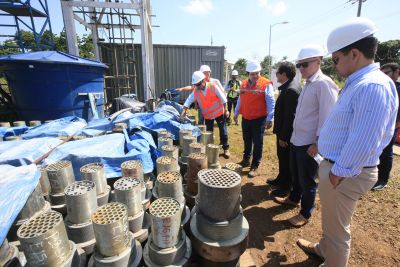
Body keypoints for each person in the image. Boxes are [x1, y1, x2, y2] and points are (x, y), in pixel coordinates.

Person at [296, 17, 398, 267]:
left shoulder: (372, 86)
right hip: (337, 167)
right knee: (331, 221)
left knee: (338, 231)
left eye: (335, 59)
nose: (333, 65)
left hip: (345, 171)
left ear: (354, 53)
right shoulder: (359, 83)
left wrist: (338, 173)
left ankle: (333, 260)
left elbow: (365, 140)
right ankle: (324, 249)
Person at [274, 44, 338, 227]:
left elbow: (328, 118)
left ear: (318, 62)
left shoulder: (324, 84)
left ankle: (305, 213)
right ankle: (293, 198)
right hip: (297, 140)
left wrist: (318, 143)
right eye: (299, 65)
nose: (301, 68)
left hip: (309, 143)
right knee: (296, 174)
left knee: (308, 179)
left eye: (305, 64)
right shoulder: (308, 83)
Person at [233, 60, 275, 177]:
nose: (255, 76)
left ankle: (255, 165)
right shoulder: (243, 84)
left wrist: (270, 118)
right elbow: (240, 99)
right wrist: (236, 112)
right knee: (247, 139)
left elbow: (271, 101)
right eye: (252, 73)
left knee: (257, 142)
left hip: (259, 119)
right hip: (246, 118)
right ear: (248, 73)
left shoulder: (266, 84)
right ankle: (246, 159)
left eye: (257, 73)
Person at [267, 62, 301, 197]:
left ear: (284, 74)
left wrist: (284, 137)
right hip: (282, 132)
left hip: (286, 134)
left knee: (286, 160)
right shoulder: (288, 87)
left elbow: (290, 117)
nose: (276, 76)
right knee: (282, 157)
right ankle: (281, 179)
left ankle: (285, 187)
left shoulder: (291, 90)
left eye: (277, 73)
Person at [180, 71, 230, 158]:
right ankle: (210, 151)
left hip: (219, 113)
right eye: (195, 85)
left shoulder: (213, 86)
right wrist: (184, 110)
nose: (196, 87)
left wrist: (226, 110)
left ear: (203, 81)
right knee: (209, 134)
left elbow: (223, 98)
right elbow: (189, 100)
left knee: (223, 131)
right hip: (208, 116)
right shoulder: (196, 90)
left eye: (198, 84)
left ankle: (226, 148)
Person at [372, 62, 400, 190]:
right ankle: (374, 176)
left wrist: (394, 127)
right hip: (378, 125)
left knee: (386, 152)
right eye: (381, 73)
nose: (383, 76)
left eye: (386, 73)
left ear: (397, 72)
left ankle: (383, 180)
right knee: (376, 150)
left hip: (393, 126)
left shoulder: (398, 88)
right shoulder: (380, 87)